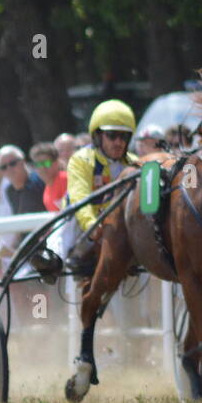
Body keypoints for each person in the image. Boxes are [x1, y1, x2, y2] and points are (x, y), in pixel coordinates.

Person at [33, 99, 138, 282]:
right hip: (86, 226)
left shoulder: (136, 163)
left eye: (124, 136)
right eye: (112, 135)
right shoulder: (82, 160)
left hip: (121, 227)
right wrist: (92, 225)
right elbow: (80, 198)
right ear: (98, 135)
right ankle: (52, 258)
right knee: (71, 217)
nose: (118, 142)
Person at [0, 144, 46, 215]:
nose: (9, 169)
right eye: (3, 167)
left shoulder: (40, 181)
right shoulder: (9, 191)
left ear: (23, 161)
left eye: (12, 163)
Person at [30, 142, 68, 213]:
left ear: (56, 162)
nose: (42, 168)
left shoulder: (65, 179)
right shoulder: (46, 194)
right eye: (38, 164)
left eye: (46, 163)